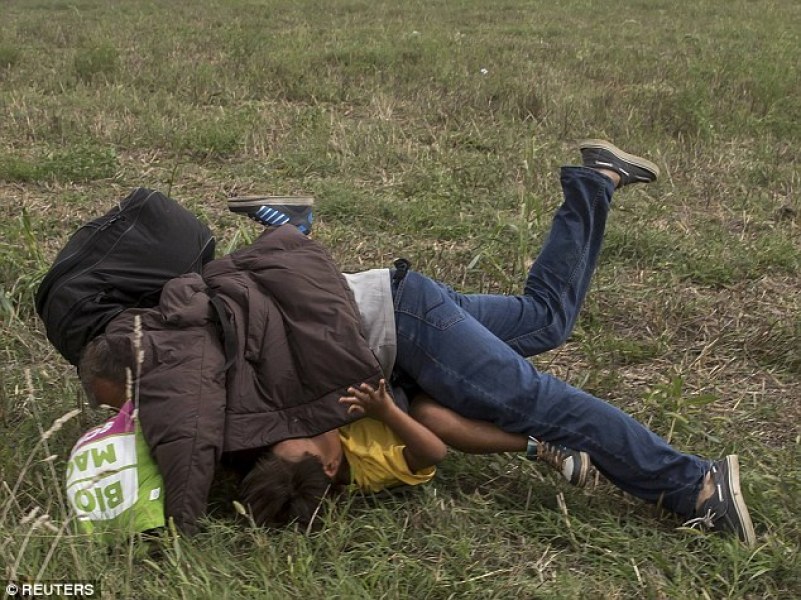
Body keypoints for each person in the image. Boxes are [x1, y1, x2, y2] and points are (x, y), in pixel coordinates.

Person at [77, 139, 755, 546]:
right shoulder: (176, 326)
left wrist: (177, 531)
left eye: (122, 401)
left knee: (544, 407)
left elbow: (186, 435)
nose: (128, 413)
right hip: (394, 300)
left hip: (404, 329)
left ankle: (693, 483)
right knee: (545, 319)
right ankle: (596, 180)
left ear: (139, 368)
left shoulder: (180, 371)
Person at [239, 380, 593, 529]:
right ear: (330, 466)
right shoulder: (367, 468)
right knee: (433, 419)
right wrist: (386, 412)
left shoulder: (300, 455)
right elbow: (433, 452)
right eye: (309, 438)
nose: (304, 427)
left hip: (390, 376)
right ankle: (537, 446)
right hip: (408, 405)